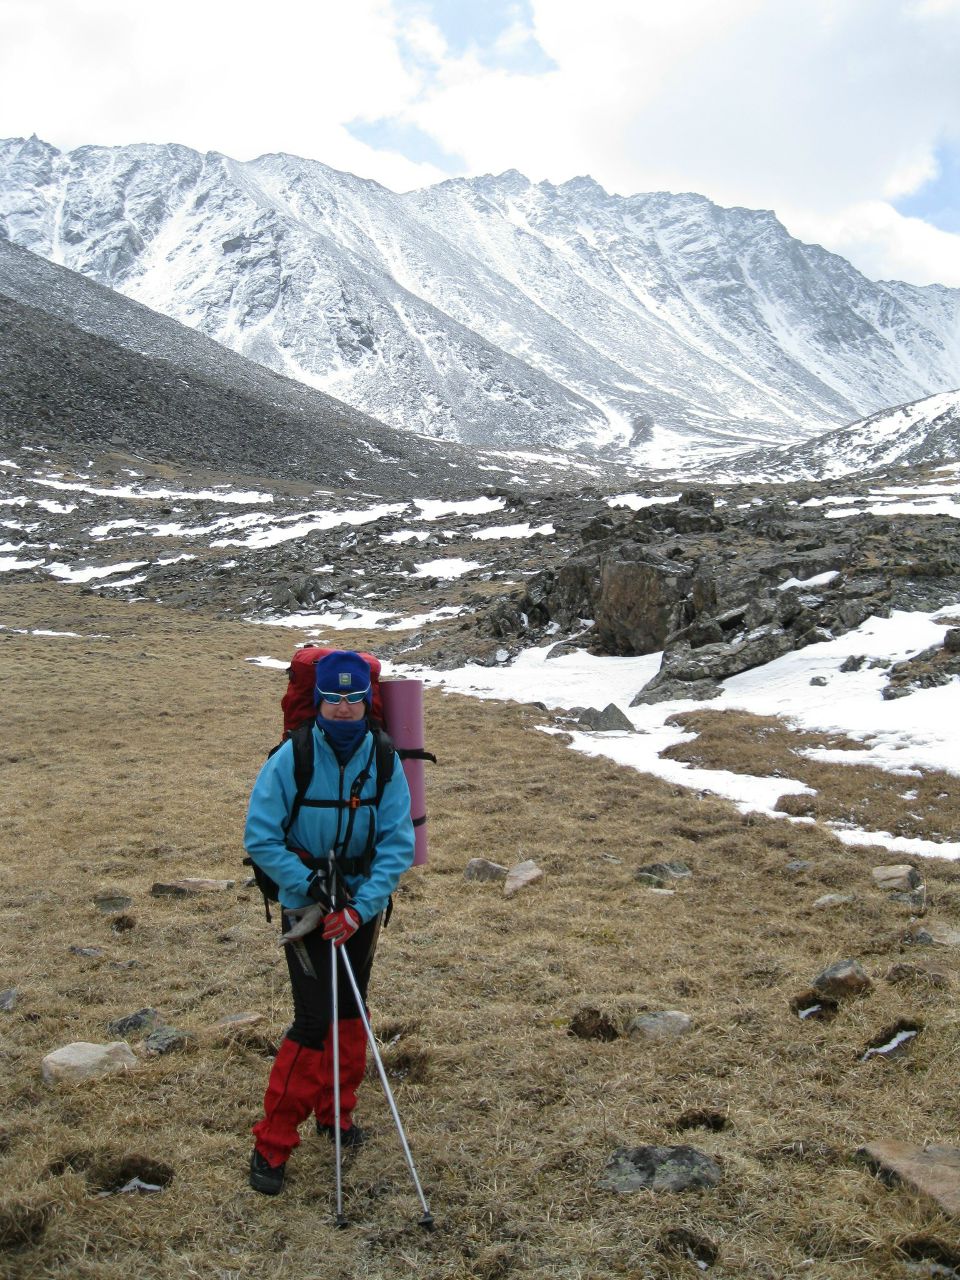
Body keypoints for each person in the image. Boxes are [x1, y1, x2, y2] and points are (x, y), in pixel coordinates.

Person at [244, 649, 415, 1195]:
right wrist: (309, 887)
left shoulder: (384, 759)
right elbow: (261, 837)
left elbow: (397, 844)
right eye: (333, 698)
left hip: (360, 904)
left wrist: (359, 908)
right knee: (315, 1019)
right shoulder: (291, 757)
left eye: (354, 697)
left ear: (368, 700)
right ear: (318, 700)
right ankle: (271, 1143)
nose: (344, 708)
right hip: (306, 904)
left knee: (352, 1008)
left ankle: (336, 1114)